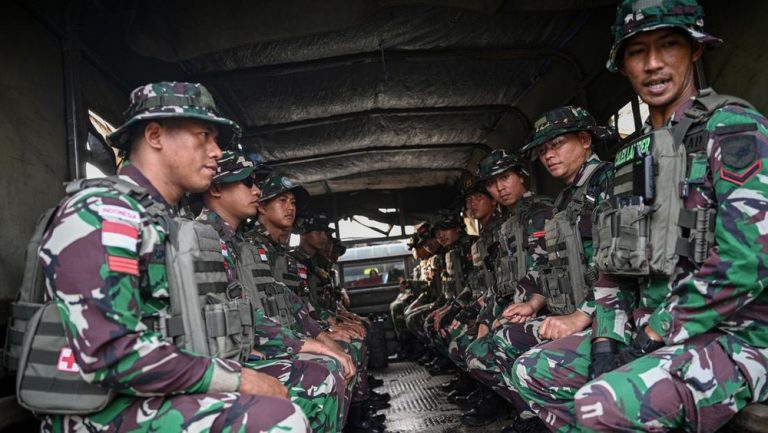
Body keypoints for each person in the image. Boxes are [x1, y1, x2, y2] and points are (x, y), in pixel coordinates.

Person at [512, 1, 768, 431]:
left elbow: (750, 259)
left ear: (695, 51)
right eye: (637, 52)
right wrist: (607, 340)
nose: (652, 64)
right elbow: (613, 264)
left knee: (600, 403)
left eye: (668, 45)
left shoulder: (733, 127)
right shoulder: (636, 157)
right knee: (532, 371)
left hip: (738, 335)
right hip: (649, 328)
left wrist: (657, 332)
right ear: (623, 64)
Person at [37, 81, 310, 433]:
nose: (215, 152)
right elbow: (111, 352)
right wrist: (234, 378)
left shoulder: (161, 221)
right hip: (98, 412)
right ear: (154, 135)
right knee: (279, 421)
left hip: (150, 393)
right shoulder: (102, 212)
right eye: (204, 136)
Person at [474, 107, 615, 433]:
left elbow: (619, 264)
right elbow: (551, 261)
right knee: (504, 339)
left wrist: (582, 315)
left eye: (558, 145)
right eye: (543, 150)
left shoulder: (608, 181)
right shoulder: (566, 199)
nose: (549, 156)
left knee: (526, 365)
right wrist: (533, 303)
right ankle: (541, 419)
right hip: (575, 311)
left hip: (608, 316)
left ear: (585, 140)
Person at [197, 150, 355, 433]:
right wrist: (309, 344)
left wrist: (320, 334)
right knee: (321, 375)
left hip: (247, 351)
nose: (257, 191)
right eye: (248, 182)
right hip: (223, 362)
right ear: (217, 187)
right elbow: (243, 315)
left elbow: (285, 300)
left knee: (328, 365)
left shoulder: (237, 245)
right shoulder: (202, 240)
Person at [457, 150, 555, 427]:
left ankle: (536, 417)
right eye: (491, 183)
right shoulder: (509, 223)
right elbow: (505, 282)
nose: (499, 188)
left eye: (505, 178)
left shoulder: (541, 212)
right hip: (521, 306)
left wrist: (520, 310)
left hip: (546, 307)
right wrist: (488, 317)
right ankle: (525, 411)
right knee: (475, 350)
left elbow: (547, 269)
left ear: (520, 176)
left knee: (483, 352)